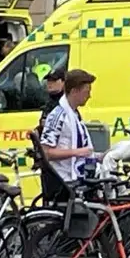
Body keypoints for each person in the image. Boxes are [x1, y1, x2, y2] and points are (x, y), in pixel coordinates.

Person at [38, 69, 98, 203]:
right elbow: (46, 152)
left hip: (73, 177)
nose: (89, 96)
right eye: (87, 91)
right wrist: (78, 152)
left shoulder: (74, 115)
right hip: (63, 182)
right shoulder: (58, 115)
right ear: (75, 91)